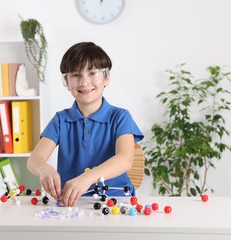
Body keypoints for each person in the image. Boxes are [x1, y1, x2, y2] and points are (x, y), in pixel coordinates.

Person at [27, 42, 144, 207]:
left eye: (92, 73)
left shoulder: (120, 117)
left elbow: (125, 159)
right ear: (67, 82)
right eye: (75, 74)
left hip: (116, 202)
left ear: (107, 78)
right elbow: (34, 159)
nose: (84, 82)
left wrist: (87, 178)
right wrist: (43, 169)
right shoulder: (61, 120)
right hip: (73, 203)